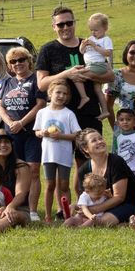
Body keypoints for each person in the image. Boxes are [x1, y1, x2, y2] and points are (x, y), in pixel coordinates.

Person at [0, 47, 42, 219]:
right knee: (13, 170)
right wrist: (10, 123)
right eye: (13, 61)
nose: (18, 64)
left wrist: (22, 122)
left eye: (21, 59)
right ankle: (14, 206)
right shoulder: (8, 82)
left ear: (28, 60)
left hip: (31, 132)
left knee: (33, 170)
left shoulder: (36, 79)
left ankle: (33, 210)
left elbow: (40, 104)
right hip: (11, 134)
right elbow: (0, 106)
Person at [68, 129, 135, 227]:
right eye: (94, 140)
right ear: (85, 148)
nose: (100, 141)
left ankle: (127, 221)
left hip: (128, 203)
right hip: (103, 207)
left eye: (100, 138)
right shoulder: (83, 170)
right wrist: (78, 206)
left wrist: (93, 210)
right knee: (79, 220)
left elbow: (119, 197)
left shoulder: (116, 162)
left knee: (102, 222)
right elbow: (87, 196)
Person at [35, 79, 80, 221]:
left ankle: (66, 215)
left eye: (65, 94)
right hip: (48, 155)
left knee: (64, 184)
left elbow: (76, 134)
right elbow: (36, 131)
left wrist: (60, 135)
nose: (61, 96)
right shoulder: (42, 112)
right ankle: (48, 216)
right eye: (58, 92)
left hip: (64, 155)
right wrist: (42, 133)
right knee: (50, 185)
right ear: (50, 93)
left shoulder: (68, 114)